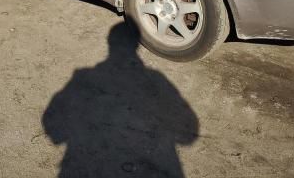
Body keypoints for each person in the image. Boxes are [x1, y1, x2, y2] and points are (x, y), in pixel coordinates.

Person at [43, 23, 199, 177]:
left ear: (109, 43)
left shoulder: (83, 77)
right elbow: (188, 134)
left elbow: (52, 122)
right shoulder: (156, 79)